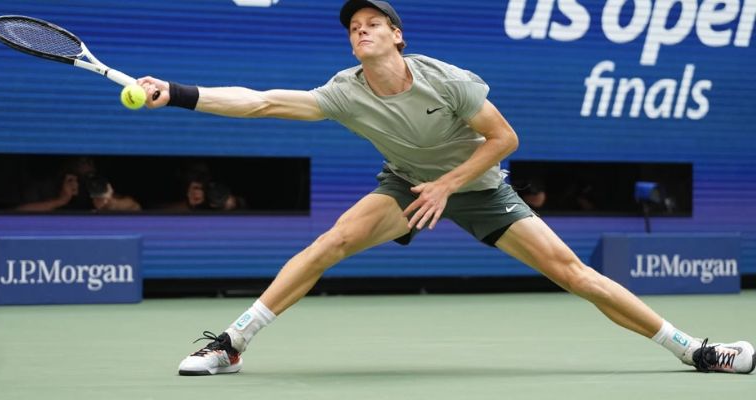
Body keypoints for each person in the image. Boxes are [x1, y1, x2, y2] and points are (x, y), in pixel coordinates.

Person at [137, 0, 755, 376]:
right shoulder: (345, 90)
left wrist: (447, 185)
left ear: (398, 35)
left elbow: (505, 138)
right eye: (354, 25)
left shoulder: (447, 80)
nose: (362, 30)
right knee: (330, 244)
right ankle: (234, 343)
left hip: (480, 187)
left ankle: (694, 349)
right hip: (405, 185)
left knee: (573, 273)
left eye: (374, 23)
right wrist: (180, 94)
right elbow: (264, 102)